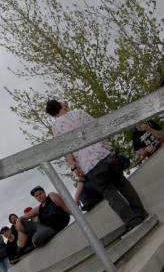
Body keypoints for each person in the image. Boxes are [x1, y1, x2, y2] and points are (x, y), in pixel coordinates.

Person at [46, 99, 148, 232]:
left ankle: (132, 221)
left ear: (52, 115)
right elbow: (98, 129)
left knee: (109, 193)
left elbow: (66, 150)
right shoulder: (79, 113)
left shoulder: (56, 128)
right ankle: (141, 213)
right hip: (104, 154)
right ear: (60, 106)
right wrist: (110, 149)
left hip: (89, 165)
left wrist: (74, 168)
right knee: (122, 183)